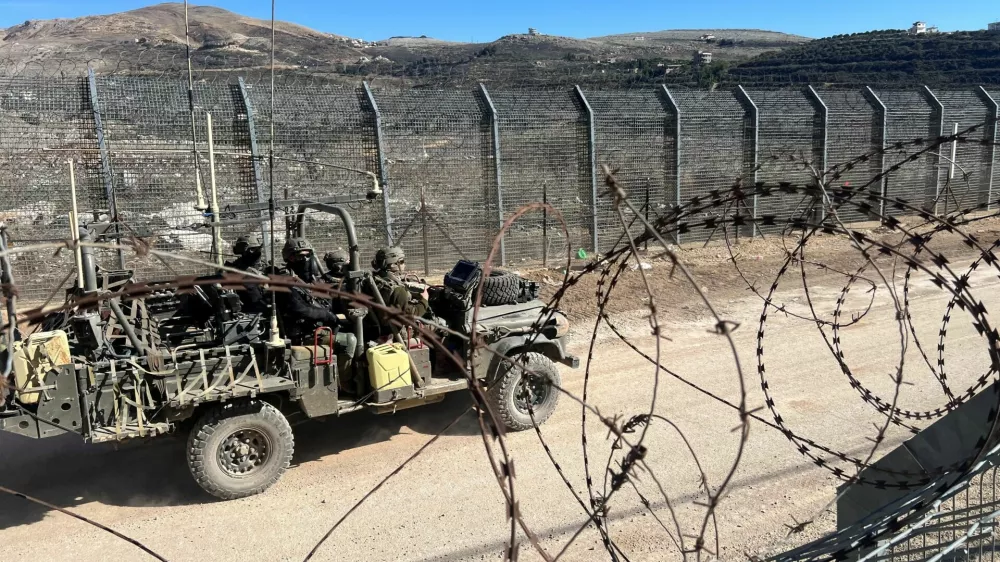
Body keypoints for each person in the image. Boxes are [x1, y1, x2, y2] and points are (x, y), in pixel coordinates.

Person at [277, 237, 358, 358]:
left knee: (358, 328)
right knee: (348, 340)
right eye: (299, 256)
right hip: (303, 335)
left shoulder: (309, 280)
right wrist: (327, 315)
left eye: (308, 255)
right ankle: (343, 377)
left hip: (318, 328)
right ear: (289, 258)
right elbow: (300, 310)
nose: (305, 259)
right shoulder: (285, 282)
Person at [369, 246, 430, 336]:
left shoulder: (374, 280)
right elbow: (410, 317)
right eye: (401, 261)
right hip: (397, 332)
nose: (404, 264)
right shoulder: (397, 290)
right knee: (440, 324)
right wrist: (424, 300)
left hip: (380, 326)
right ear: (393, 264)